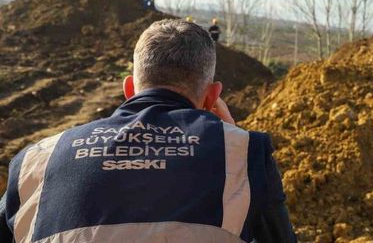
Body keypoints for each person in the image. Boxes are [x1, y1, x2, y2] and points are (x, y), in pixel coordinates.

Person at [0, 19, 297, 243]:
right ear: (211, 96)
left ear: (128, 89)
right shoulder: (246, 155)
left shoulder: (35, 160)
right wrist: (232, 142)